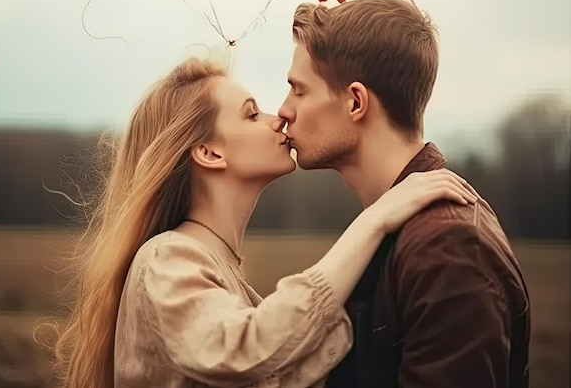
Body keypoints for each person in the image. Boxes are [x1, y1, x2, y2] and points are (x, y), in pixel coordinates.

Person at [50, 57, 477, 388]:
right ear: (210, 153)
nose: (280, 118)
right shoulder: (166, 258)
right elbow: (247, 347)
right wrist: (375, 221)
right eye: (252, 114)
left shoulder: (216, 270)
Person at [278, 0, 531, 388]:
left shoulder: (448, 248)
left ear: (356, 102)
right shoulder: (395, 227)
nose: (283, 110)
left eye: (299, 90)